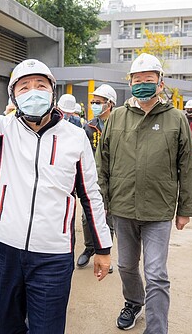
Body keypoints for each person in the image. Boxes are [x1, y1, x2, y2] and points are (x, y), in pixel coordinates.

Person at [0, 52, 112, 334]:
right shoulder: (4, 130)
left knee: (47, 328)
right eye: (24, 87)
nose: (33, 92)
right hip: (5, 248)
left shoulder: (75, 138)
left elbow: (90, 195)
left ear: (52, 92)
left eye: (41, 85)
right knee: (5, 326)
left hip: (53, 254)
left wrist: (103, 248)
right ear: (14, 98)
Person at [96, 52, 192, 333]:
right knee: (126, 266)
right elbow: (101, 162)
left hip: (158, 210)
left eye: (148, 80)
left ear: (160, 83)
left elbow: (187, 166)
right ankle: (133, 301)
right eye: (137, 80)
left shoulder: (176, 119)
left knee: (156, 274)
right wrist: (103, 201)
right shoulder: (116, 118)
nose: (142, 84)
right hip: (122, 208)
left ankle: (157, 328)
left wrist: (184, 209)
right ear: (130, 83)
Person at [77, 84, 117, 270]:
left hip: (114, 178)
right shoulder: (89, 127)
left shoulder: (119, 125)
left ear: (110, 104)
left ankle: (104, 252)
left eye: (98, 102)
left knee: (108, 217)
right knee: (87, 216)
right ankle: (89, 248)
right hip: (92, 177)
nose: (94, 104)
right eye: (93, 102)